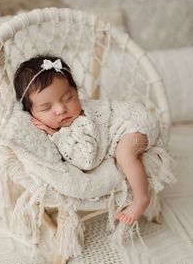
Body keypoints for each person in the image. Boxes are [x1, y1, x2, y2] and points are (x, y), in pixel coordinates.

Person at [14, 55, 161, 226]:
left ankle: (141, 198)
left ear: (76, 92)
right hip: (131, 120)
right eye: (46, 108)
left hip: (136, 123)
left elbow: (88, 161)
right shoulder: (62, 117)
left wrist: (56, 134)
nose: (61, 109)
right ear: (31, 113)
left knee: (124, 154)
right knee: (124, 152)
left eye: (68, 98)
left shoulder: (82, 122)